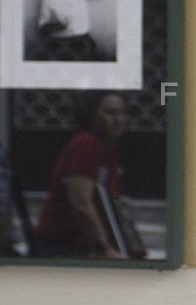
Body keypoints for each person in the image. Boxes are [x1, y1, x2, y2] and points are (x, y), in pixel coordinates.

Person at [34, 90, 144, 259]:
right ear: (92, 115)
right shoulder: (86, 144)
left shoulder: (109, 147)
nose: (118, 119)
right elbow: (80, 202)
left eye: (122, 113)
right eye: (110, 113)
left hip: (82, 244)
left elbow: (111, 200)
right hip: (63, 245)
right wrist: (103, 247)